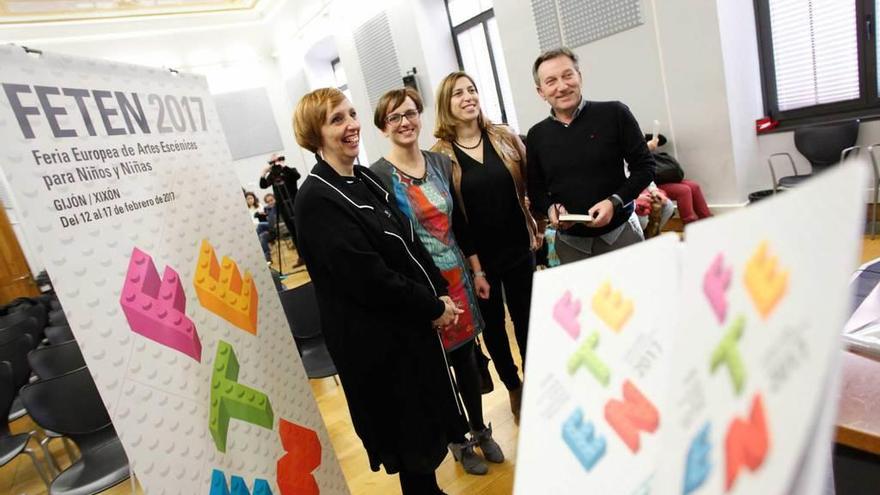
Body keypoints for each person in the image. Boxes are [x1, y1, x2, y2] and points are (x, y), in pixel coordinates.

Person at [292, 87, 467, 495]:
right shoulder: (316, 199)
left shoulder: (364, 177)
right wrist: (430, 306)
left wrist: (440, 293)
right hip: (378, 344)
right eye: (336, 119)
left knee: (424, 434)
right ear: (314, 134)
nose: (352, 125)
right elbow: (369, 278)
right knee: (410, 438)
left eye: (352, 114)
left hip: (408, 328)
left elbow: (407, 241)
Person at [370, 87, 504, 476]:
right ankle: (457, 439)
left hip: (458, 277)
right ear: (383, 126)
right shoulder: (377, 176)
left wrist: (477, 271)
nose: (405, 122)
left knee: (466, 358)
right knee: (436, 368)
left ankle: (479, 428)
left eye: (410, 113)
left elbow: (460, 223)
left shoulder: (440, 163)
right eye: (394, 117)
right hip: (421, 287)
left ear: (420, 116)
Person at [430, 72, 539, 424]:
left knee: (527, 320)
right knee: (493, 327)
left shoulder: (504, 137)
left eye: (472, 90)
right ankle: (514, 385)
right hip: (477, 259)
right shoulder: (439, 157)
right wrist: (474, 267)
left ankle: (537, 381)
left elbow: (532, 183)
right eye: (458, 93)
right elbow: (449, 217)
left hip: (519, 246)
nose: (468, 97)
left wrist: (539, 222)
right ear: (446, 105)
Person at [526, 47, 654, 264]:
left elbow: (645, 167)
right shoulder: (537, 135)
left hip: (621, 235)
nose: (562, 86)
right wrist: (550, 209)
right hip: (570, 246)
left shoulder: (615, 113)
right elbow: (536, 190)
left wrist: (614, 202)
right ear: (541, 92)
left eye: (568, 75)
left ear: (580, 77)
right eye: (551, 81)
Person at [646, 134, 713, 224]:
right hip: (648, 183)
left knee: (694, 186)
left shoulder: (636, 136)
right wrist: (646, 148)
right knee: (684, 190)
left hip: (660, 178)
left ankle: (708, 222)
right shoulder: (624, 144)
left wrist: (650, 137)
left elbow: (663, 140)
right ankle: (690, 226)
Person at [259, 153, 301, 251]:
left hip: (295, 203)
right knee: (293, 231)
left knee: (302, 228)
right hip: (283, 207)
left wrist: (284, 166)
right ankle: (301, 256)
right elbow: (263, 185)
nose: (276, 163)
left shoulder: (290, 170)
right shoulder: (272, 175)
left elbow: (297, 176)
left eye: (278, 160)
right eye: (273, 162)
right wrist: (263, 173)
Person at [244, 191, 272, 262]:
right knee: (261, 236)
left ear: (254, 198)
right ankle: (267, 258)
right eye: (248, 199)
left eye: (251, 198)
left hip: (264, 225)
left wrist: (261, 214)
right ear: (245, 200)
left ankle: (254, 240)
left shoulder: (259, 206)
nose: (250, 200)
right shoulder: (246, 210)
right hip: (257, 231)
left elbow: (266, 216)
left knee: (259, 226)